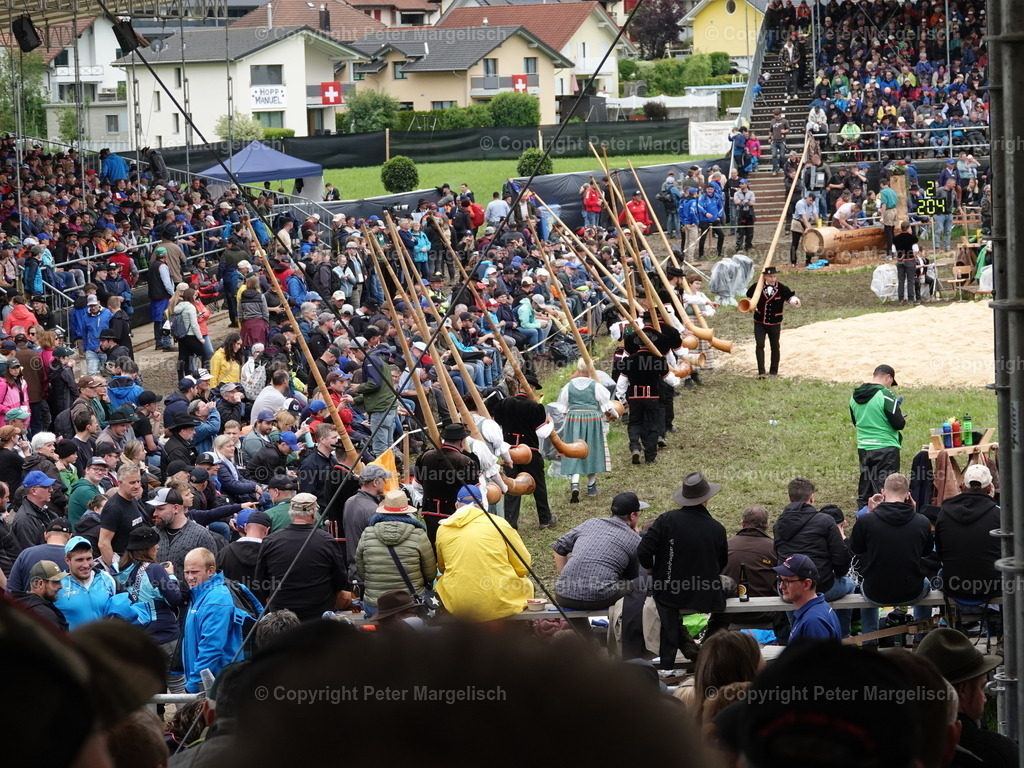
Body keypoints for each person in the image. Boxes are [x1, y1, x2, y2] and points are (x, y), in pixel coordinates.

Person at [637, 472, 729, 668]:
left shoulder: (665, 520)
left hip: (669, 591)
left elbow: (643, 551)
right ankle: (708, 648)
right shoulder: (717, 528)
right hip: (706, 593)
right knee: (729, 596)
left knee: (665, 607)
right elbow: (722, 563)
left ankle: (669, 661)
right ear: (706, 499)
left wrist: (653, 570)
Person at [916, 629, 1020, 768]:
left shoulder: (892, 748)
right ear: (963, 690)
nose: (985, 699)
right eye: (982, 688)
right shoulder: (996, 754)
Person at [849, 473, 933, 644]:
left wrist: (871, 512)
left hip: (876, 591)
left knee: (865, 586)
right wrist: (914, 513)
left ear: (883, 492)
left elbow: (856, 549)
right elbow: (926, 552)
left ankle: (870, 641)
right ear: (908, 495)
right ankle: (921, 639)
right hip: (913, 590)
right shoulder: (922, 521)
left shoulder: (866, 520)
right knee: (928, 584)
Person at [435, 484, 534, 621]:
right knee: (525, 584)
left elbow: (442, 567)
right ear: (482, 504)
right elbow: (523, 565)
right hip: (501, 601)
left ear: (457, 505)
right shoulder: (499, 523)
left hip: (461, 606)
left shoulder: (443, 529)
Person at [773, 476, 854, 636]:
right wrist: (837, 575)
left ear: (789, 499)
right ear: (812, 498)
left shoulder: (778, 524)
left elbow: (779, 556)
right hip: (821, 586)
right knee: (850, 584)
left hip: (788, 587)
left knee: (791, 591)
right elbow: (841, 558)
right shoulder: (826, 521)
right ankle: (843, 635)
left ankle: (795, 631)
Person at [253, 492, 352, 621]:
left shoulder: (271, 541)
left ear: (291, 513)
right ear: (313, 514)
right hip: (318, 612)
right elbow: (340, 580)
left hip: (282, 615)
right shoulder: (326, 540)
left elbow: (260, 580)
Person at [113, 525, 184, 691]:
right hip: (165, 636)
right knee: (178, 685)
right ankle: (184, 717)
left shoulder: (118, 572)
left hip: (139, 640)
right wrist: (171, 576)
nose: (158, 547)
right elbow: (175, 599)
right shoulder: (155, 569)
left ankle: (152, 717)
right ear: (146, 548)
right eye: (155, 544)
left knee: (148, 689)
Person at [181, 547, 258, 693]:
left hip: (215, 685)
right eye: (187, 572)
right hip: (209, 682)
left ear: (211, 571)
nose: (190, 577)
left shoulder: (216, 600)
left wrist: (192, 684)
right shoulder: (200, 593)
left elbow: (211, 648)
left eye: (195, 572)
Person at [552, 491, 644, 610]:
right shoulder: (634, 539)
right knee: (638, 583)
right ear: (632, 516)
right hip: (599, 598)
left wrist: (566, 578)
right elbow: (632, 575)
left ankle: (584, 629)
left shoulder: (591, 523)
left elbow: (558, 548)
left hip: (563, 595)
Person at [355, 489, 436, 618]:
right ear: (407, 511)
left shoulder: (367, 534)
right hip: (410, 605)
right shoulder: (419, 535)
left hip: (375, 606)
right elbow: (430, 575)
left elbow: (361, 571)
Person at [706, 505, 780, 636]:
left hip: (730, 614)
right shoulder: (774, 548)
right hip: (767, 613)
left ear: (742, 523)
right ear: (767, 526)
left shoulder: (725, 544)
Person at [936, 463, 1002, 602]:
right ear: (990, 488)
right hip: (991, 587)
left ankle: (945, 619)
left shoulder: (944, 512)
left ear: (963, 486)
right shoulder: (1000, 514)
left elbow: (940, 553)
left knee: (939, 572)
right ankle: (1002, 622)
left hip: (953, 587)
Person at [553, 359, 618, 502]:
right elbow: (607, 406)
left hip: (573, 419)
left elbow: (562, 408)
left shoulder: (568, 386)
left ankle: (574, 483)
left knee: (574, 451)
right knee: (591, 450)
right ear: (591, 370)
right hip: (592, 420)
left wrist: (569, 419)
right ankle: (591, 486)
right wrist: (615, 414)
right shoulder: (596, 386)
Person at [413, 422, 482, 542]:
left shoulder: (425, 456)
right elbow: (474, 492)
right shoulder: (466, 461)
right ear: (462, 442)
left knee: (435, 546)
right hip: (456, 514)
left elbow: (417, 486)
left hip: (430, 512)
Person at [850, 364, 905, 509]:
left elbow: (857, 422)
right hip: (886, 448)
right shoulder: (885, 394)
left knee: (866, 486)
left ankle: (862, 517)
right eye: (890, 383)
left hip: (864, 448)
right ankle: (886, 520)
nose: (889, 386)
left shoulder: (854, 396)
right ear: (888, 377)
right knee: (886, 489)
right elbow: (898, 423)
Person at [150, 485, 224, 582]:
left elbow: (213, 574)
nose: (155, 514)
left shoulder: (201, 535)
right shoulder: (152, 534)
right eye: (155, 509)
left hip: (189, 595)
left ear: (176, 508)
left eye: (160, 509)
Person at [746, 266, 800, 379]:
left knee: (775, 346)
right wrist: (750, 304)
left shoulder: (781, 287)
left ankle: (773, 372)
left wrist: (795, 301)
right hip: (760, 321)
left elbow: (789, 297)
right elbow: (749, 298)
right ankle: (761, 372)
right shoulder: (757, 287)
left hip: (775, 323)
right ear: (765, 276)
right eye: (770, 276)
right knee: (759, 345)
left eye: (774, 276)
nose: (773, 279)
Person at [54, 534, 118, 629]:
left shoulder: (107, 579)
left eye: (89, 559)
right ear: (67, 561)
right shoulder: (57, 585)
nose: (86, 565)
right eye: (79, 560)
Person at [773, 553, 842, 641]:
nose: (781, 586)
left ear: (807, 584)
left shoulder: (813, 621)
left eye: (787, 581)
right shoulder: (816, 610)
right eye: (780, 580)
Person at [342, 464, 392, 582]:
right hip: (368, 574)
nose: (385, 483)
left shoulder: (349, 502)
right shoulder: (373, 510)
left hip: (353, 571)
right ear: (375, 482)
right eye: (383, 480)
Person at [217, 509, 272, 591]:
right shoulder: (271, 554)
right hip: (263, 602)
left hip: (232, 601)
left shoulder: (225, 552)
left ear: (246, 527)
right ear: (267, 530)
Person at [16, 559, 69, 631]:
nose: (61, 586)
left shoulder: (19, 604)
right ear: (39, 584)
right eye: (56, 582)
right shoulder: (45, 615)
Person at [893, 221, 921, 303]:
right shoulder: (912, 238)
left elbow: (894, 251)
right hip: (910, 261)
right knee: (910, 280)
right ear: (908, 228)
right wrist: (914, 256)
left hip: (900, 261)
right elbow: (916, 250)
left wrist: (899, 256)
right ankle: (910, 299)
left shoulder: (895, 238)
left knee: (901, 281)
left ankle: (901, 299)